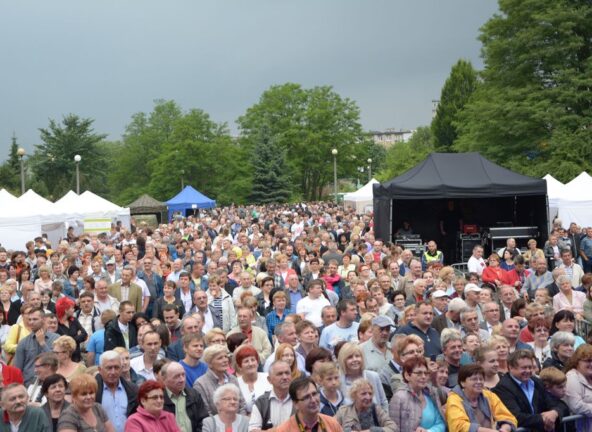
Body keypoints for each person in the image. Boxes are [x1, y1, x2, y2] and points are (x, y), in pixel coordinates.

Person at [493, 349, 563, 431]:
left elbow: (558, 404)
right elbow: (515, 416)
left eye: (530, 367)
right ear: (511, 367)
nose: (528, 371)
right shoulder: (503, 388)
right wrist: (544, 419)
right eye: (524, 368)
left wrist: (554, 413)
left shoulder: (537, 382)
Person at [447, 364, 517, 432]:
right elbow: (459, 426)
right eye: (474, 379)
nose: (479, 382)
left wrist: (505, 428)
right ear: (463, 383)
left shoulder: (489, 395)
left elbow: (506, 416)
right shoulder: (454, 399)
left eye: (481, 379)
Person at [389, 356, 446, 432]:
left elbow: (441, 424)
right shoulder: (399, 398)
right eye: (419, 373)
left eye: (426, 373)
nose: (423, 376)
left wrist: (428, 431)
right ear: (407, 375)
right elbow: (393, 429)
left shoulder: (431, 394)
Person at [193, 344, 247, 415]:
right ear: (210, 364)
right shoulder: (200, 384)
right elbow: (206, 412)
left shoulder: (233, 379)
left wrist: (240, 422)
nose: (225, 360)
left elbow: (242, 405)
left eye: (225, 357)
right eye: (220, 358)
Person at [275, 377, 342, 432]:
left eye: (314, 394)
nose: (313, 400)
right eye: (306, 397)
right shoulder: (284, 430)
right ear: (295, 404)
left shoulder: (332, 424)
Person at [13, 306, 59, 386]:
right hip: (28, 385)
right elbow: (17, 369)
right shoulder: (23, 342)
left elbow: (57, 362)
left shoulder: (56, 338)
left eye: (35, 319)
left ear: (43, 320)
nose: (31, 322)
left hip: (51, 384)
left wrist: (42, 343)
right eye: (29, 319)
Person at [96, 350, 138, 432]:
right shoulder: (93, 391)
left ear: (121, 368)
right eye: (109, 368)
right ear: (100, 369)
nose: (113, 372)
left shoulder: (133, 390)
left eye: (116, 367)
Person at [338, 342, 388, 412]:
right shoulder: (338, 381)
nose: (355, 359)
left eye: (357, 356)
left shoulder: (373, 376)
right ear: (343, 360)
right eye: (350, 357)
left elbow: (383, 402)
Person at [161, 361, 208, 432]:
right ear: (164, 379)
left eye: (183, 375)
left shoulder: (194, 394)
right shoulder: (159, 398)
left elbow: (203, 421)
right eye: (176, 376)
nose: (182, 380)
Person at [249, 360, 294, 431]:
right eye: (280, 374)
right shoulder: (261, 402)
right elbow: (252, 430)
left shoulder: (300, 399)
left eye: (287, 373)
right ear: (269, 380)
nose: (285, 377)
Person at [234, 344, 271, 414]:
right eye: (246, 361)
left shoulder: (268, 378)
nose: (250, 364)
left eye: (253, 360)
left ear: (257, 363)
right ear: (239, 366)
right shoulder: (236, 383)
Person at [563, 344, 592, 431]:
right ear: (577, 361)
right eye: (588, 361)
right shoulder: (572, 377)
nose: (591, 364)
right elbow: (576, 406)